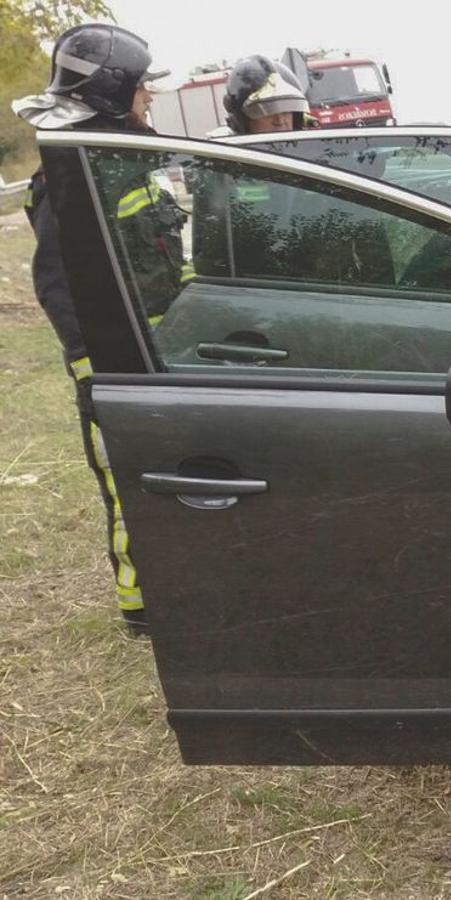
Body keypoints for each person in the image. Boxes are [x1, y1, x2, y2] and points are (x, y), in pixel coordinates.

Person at [13, 24, 183, 635]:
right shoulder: (71, 177)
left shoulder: (120, 164)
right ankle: (142, 609)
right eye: (142, 90)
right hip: (120, 362)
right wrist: (97, 371)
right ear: (115, 93)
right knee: (127, 482)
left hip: (164, 353)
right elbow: (59, 286)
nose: (150, 100)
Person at [219, 55, 311, 136]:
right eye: (268, 113)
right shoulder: (224, 153)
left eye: (285, 112)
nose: (279, 121)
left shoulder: (310, 151)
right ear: (242, 120)